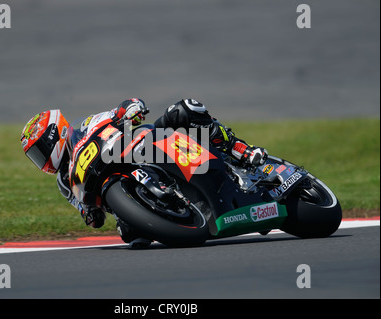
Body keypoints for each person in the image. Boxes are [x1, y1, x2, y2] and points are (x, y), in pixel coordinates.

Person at [20, 98, 267, 246]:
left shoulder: (88, 124)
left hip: (145, 146)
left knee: (183, 110)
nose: (41, 161)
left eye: (40, 151)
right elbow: (86, 210)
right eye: (35, 157)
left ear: (57, 134)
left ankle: (238, 148)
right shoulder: (64, 182)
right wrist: (91, 215)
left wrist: (129, 108)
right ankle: (176, 211)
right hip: (121, 187)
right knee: (131, 237)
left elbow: (120, 111)